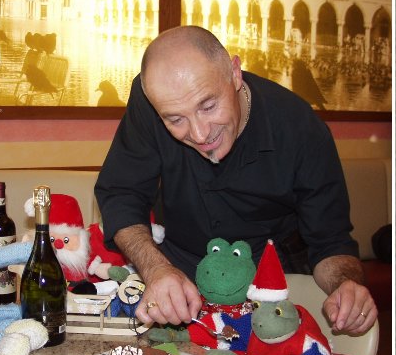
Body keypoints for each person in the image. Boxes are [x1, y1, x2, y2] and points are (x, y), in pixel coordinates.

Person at [94, 26, 377, 335]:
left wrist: (346, 286)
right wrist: (156, 269)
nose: (200, 134)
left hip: (268, 290)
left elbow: (330, 242)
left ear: (235, 73)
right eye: (176, 120)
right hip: (175, 274)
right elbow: (122, 193)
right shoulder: (153, 97)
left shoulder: (300, 128)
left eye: (208, 106)